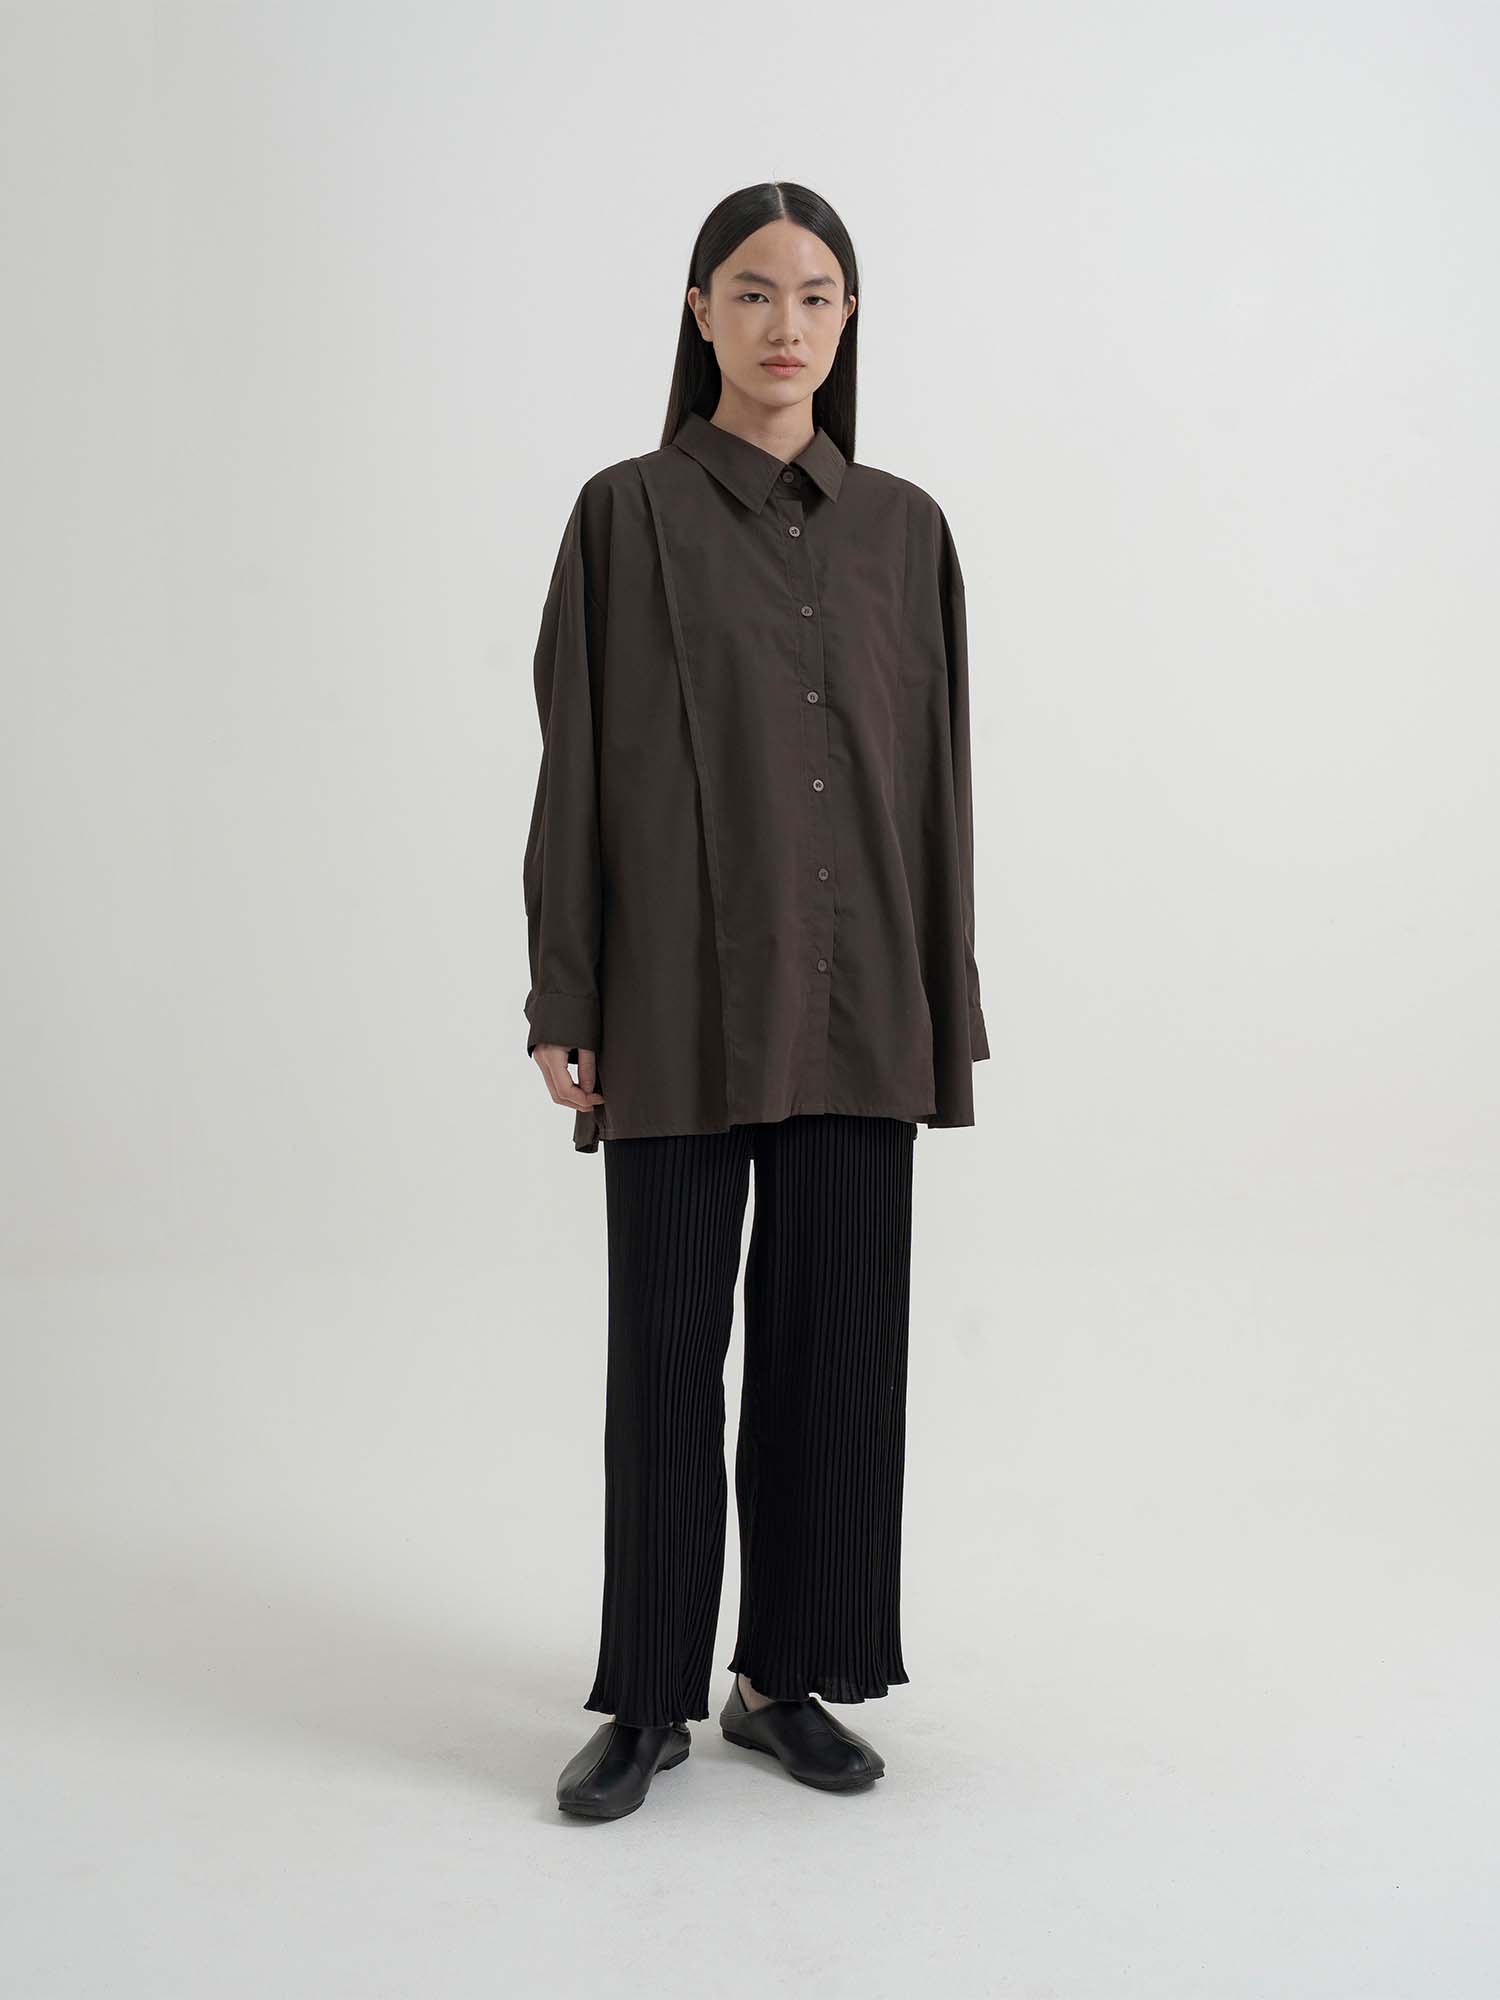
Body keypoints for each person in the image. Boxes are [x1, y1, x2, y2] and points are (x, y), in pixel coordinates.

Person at [523, 181, 990, 1821]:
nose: (785, 325)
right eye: (752, 291)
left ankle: (783, 1678)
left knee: (834, 1356)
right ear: (699, 311)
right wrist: (564, 992)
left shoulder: (908, 532)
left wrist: (945, 998)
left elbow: (937, 787)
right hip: (674, 1001)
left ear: (848, 320)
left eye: (816, 295)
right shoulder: (625, 516)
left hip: (862, 1005)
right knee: (664, 1355)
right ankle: (649, 1695)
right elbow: (576, 767)